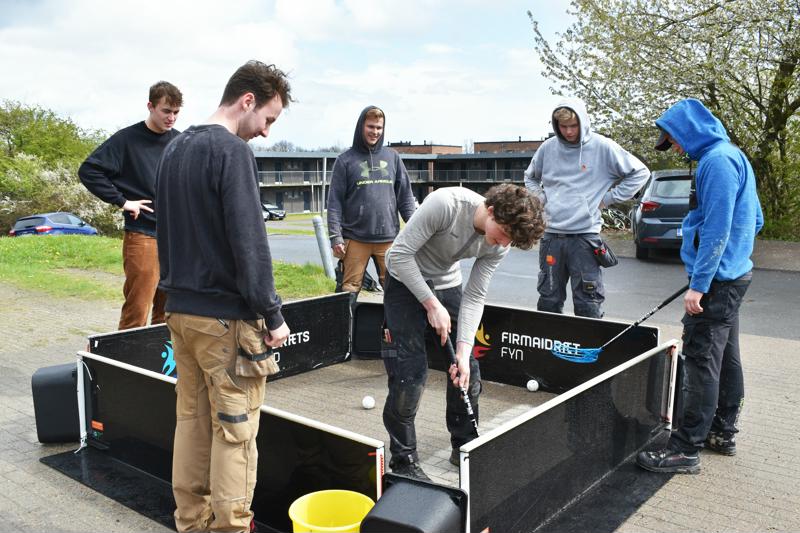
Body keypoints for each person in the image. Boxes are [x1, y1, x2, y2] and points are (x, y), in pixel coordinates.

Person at [156, 61, 292, 532]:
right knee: (235, 434)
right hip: (225, 324)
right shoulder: (232, 152)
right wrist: (272, 315)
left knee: (191, 424)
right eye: (268, 119)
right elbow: (249, 242)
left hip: (180, 313)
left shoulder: (174, 149)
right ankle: (232, 527)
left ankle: (191, 522)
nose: (266, 133)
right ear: (247, 100)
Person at [381, 184, 545, 479]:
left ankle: (465, 446)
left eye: (509, 240)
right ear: (491, 210)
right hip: (403, 279)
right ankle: (403, 462)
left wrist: (463, 351)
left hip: (446, 282)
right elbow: (398, 257)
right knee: (410, 373)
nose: (501, 244)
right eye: (503, 233)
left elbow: (475, 295)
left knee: (467, 369)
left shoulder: (502, 243)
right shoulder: (445, 204)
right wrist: (431, 304)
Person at [637, 98, 764, 474]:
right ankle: (722, 432)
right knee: (725, 358)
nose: (674, 147)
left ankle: (684, 449)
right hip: (733, 276)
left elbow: (717, 229)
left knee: (699, 363)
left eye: (673, 140)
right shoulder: (731, 155)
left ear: (688, 131)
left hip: (717, 282)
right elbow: (755, 219)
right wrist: (734, 259)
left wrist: (701, 283)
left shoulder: (716, 162)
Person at [524, 98, 649, 318]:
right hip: (552, 236)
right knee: (548, 300)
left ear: (583, 121)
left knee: (587, 303)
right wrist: (541, 198)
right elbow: (530, 177)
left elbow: (640, 173)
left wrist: (609, 198)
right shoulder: (548, 148)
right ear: (556, 125)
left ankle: (589, 351)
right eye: (563, 127)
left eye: (574, 126)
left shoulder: (603, 146)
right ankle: (549, 348)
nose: (569, 132)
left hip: (584, 236)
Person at [79, 81, 183, 330]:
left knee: (168, 311)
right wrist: (123, 201)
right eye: (166, 111)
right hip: (143, 235)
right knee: (138, 309)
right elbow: (89, 171)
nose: (171, 118)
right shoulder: (127, 140)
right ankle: (124, 367)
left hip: (175, 239)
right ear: (150, 106)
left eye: (176, 112)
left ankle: (163, 367)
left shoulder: (180, 141)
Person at [327, 105, 416, 296]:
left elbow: (406, 198)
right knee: (348, 290)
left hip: (389, 239)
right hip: (355, 239)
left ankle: (392, 327)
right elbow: (334, 203)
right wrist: (335, 236)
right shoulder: (345, 160)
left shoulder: (393, 158)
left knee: (397, 292)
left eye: (379, 128)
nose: (375, 132)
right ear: (361, 126)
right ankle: (345, 327)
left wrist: (418, 228)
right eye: (370, 127)